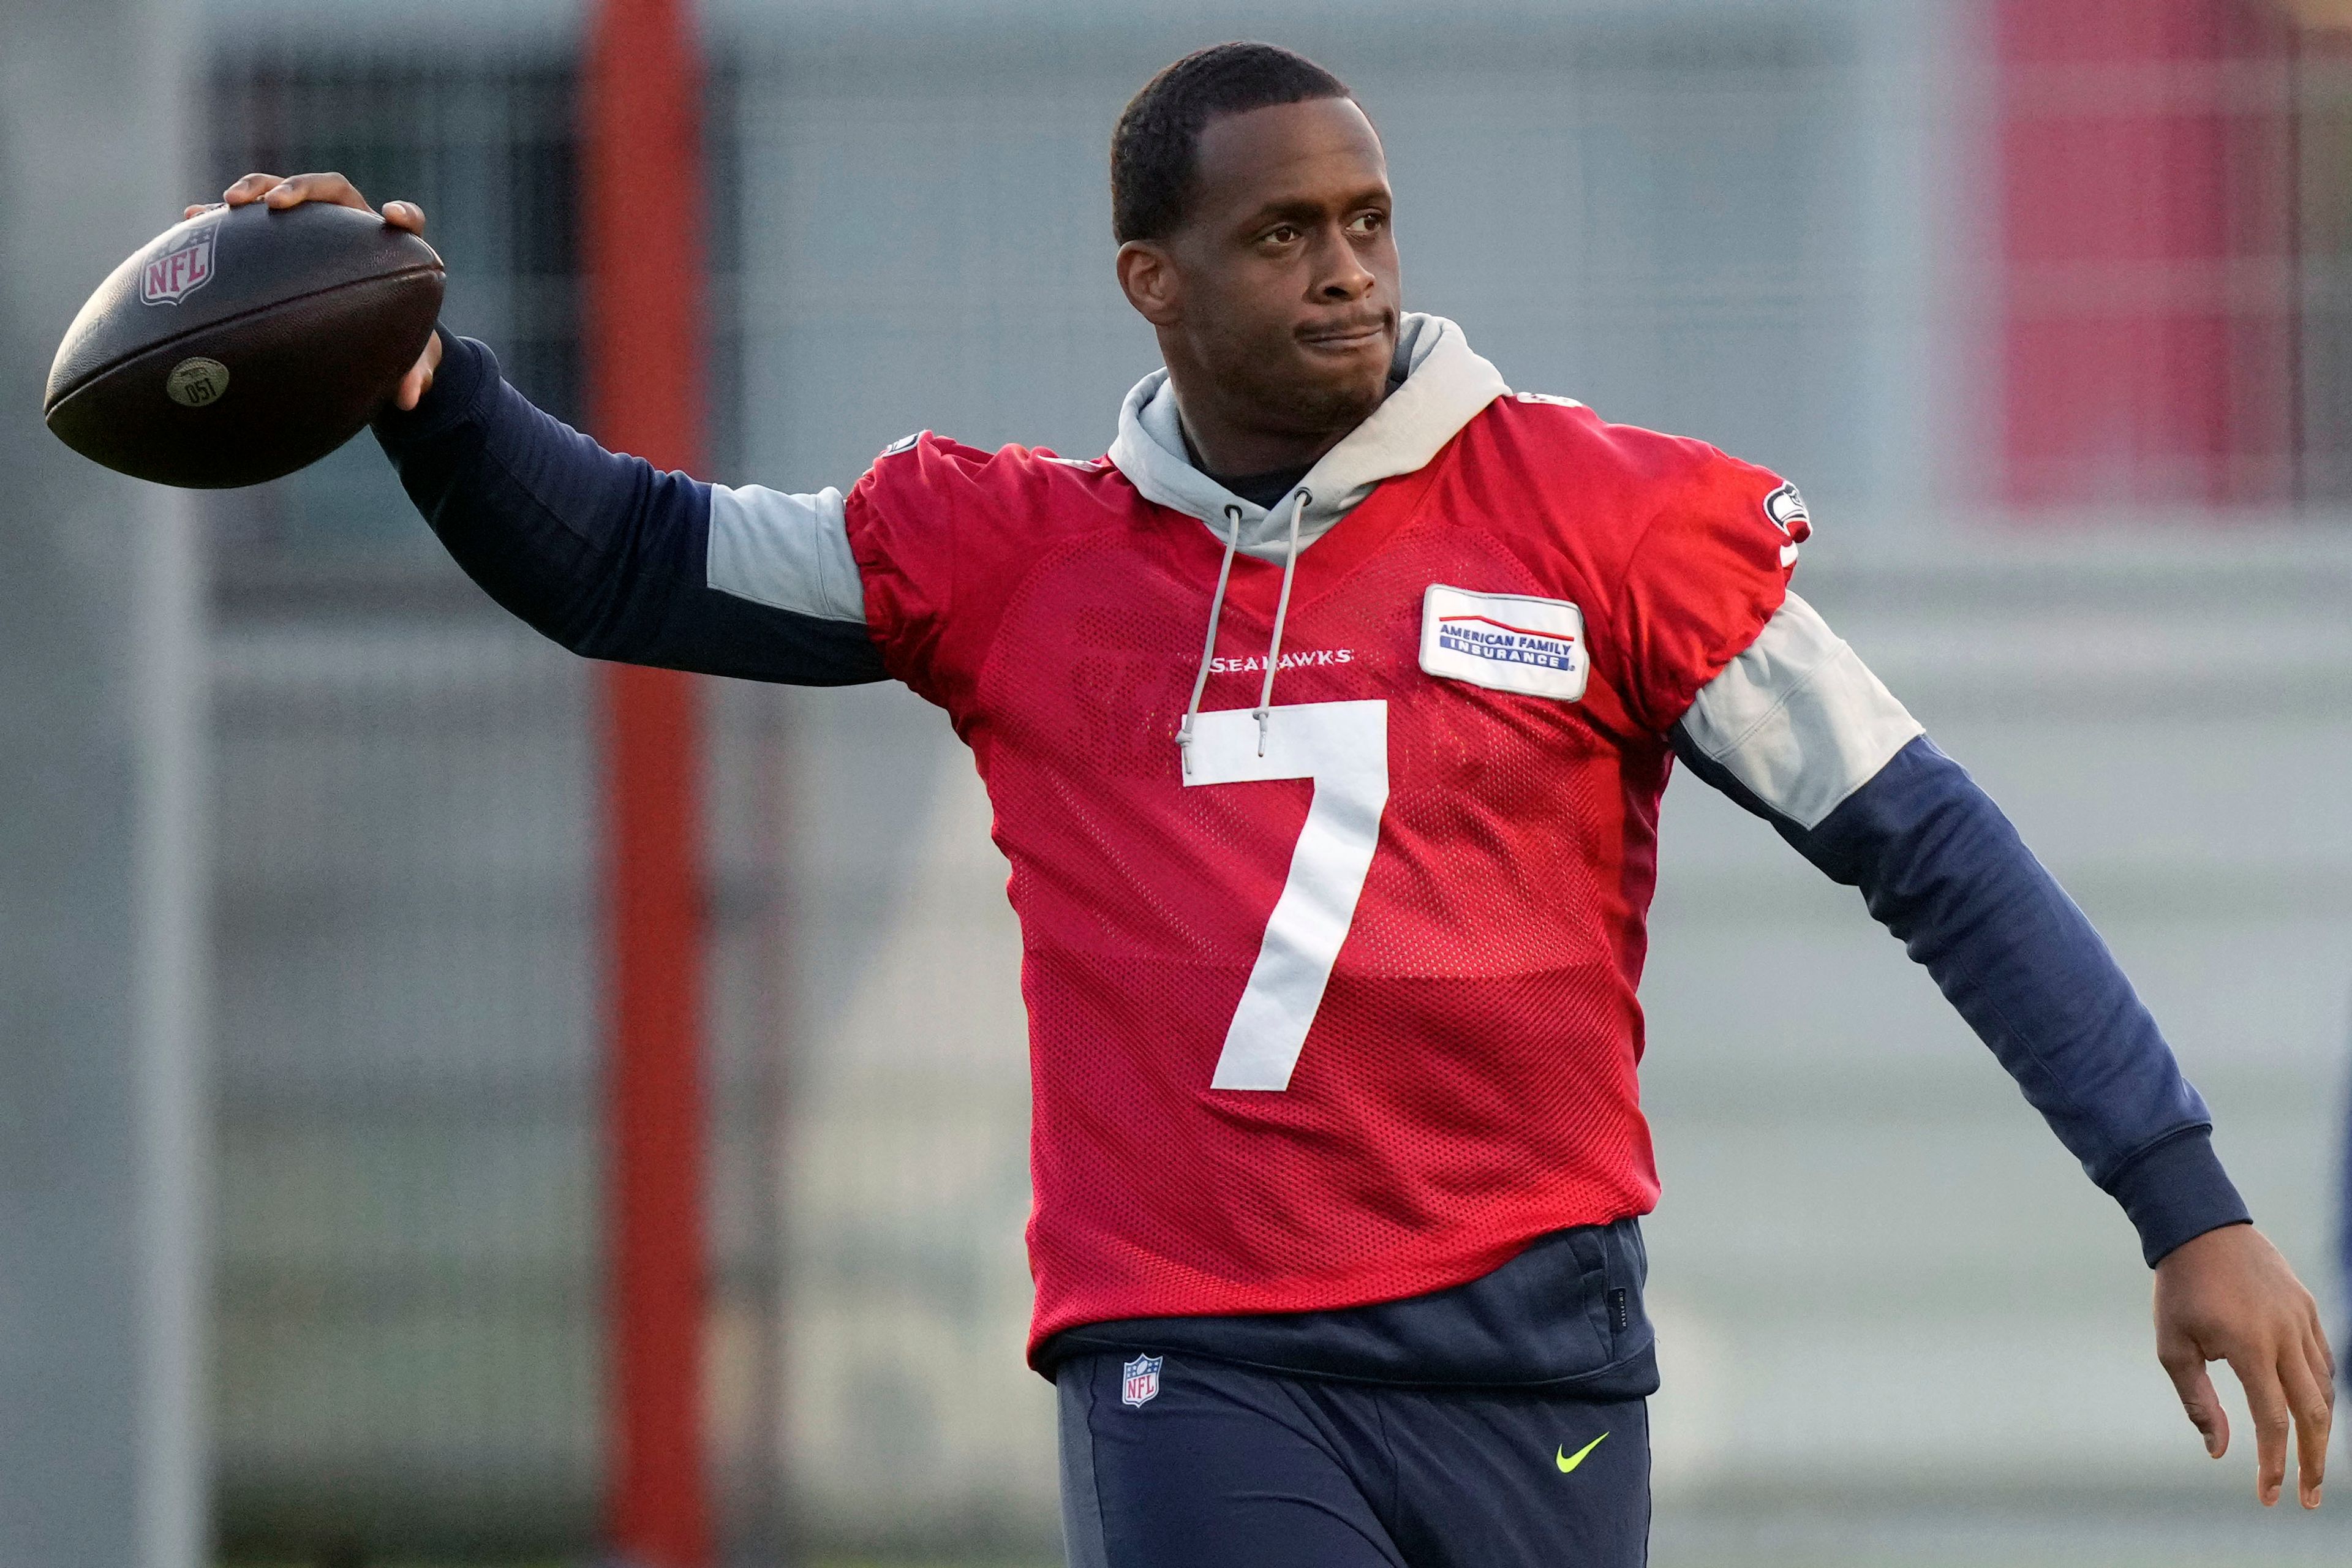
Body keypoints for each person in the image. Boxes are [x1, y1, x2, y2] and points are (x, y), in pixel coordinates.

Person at [202, 41, 2332, 1567]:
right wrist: (424, 393)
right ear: (1155, 276)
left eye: (1370, 220)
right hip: (1196, 1354)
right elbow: (633, 559)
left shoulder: (1605, 524)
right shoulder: (1010, 552)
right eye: (1285, 230)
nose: (1347, 270)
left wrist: (2186, 1198)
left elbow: (1932, 846)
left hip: (1532, 1350)